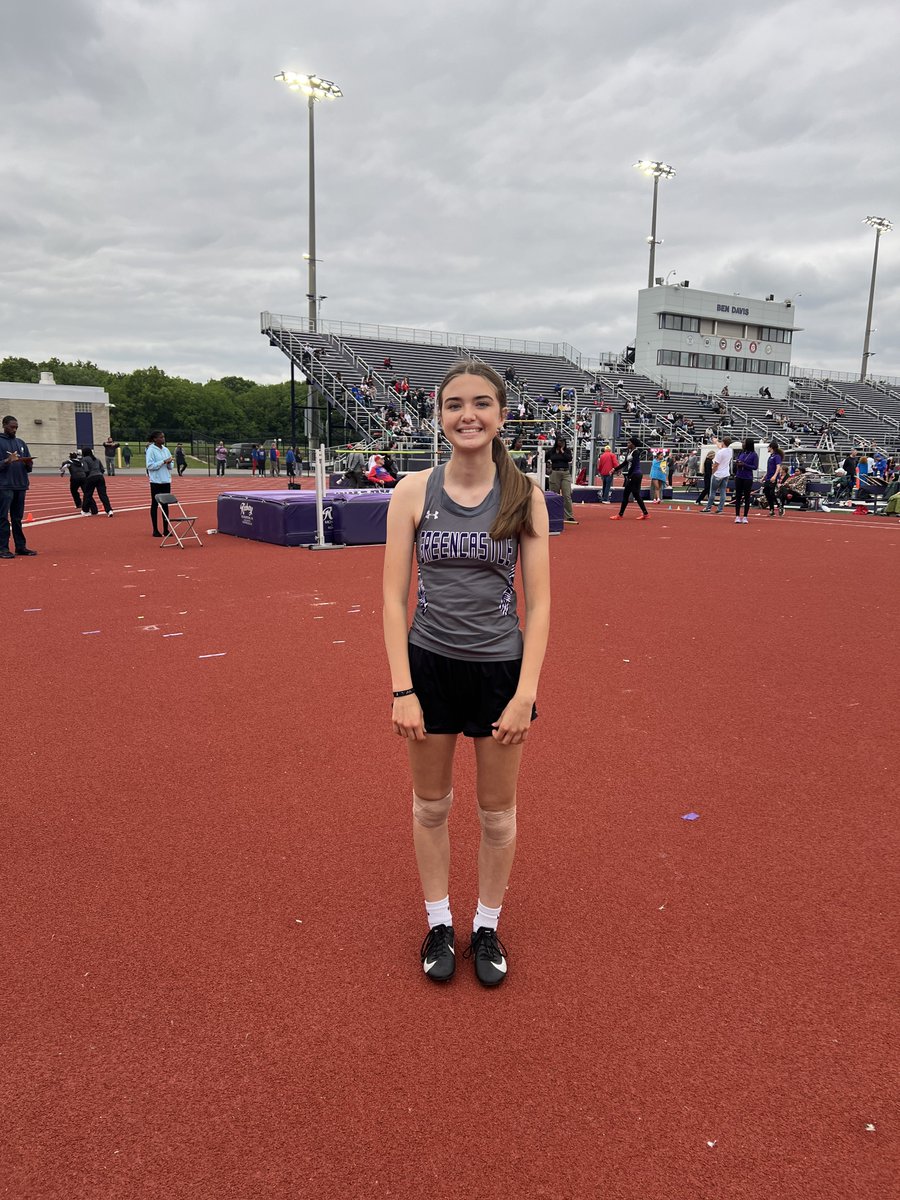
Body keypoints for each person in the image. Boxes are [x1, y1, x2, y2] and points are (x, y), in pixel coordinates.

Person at [382, 361, 550, 988]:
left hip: (499, 672)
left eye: (482, 404)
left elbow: (542, 603)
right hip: (428, 667)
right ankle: (438, 922)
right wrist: (403, 688)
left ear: (502, 416)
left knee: (496, 814)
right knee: (431, 807)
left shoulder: (524, 495)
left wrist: (525, 694)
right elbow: (392, 597)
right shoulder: (412, 492)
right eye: (455, 405)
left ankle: (486, 925)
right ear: (440, 416)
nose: (468, 415)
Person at [0, 415, 36, 558]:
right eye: (12, 427)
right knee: (2, 518)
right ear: (4, 425)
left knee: (17, 518)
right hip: (4, 486)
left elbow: (29, 467)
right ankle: (3, 548)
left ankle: (20, 546)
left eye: (16, 427)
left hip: (20, 484)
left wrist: (28, 463)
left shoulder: (21, 443)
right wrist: (7, 461)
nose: (14, 430)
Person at [610, 436, 649, 520]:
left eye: (629, 443)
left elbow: (634, 465)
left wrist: (629, 475)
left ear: (633, 444)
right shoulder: (629, 452)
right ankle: (645, 513)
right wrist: (614, 469)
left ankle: (620, 515)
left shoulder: (636, 452)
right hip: (634, 475)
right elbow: (625, 463)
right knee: (636, 494)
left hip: (635, 475)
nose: (627, 444)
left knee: (626, 494)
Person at [145, 431, 174, 538]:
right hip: (156, 481)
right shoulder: (151, 450)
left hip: (166, 480)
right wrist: (163, 461)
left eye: (164, 437)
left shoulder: (166, 450)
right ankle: (155, 529)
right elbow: (150, 466)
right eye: (161, 437)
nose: (163, 439)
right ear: (155, 439)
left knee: (165, 505)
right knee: (155, 504)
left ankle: (166, 529)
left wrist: (170, 462)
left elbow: (171, 466)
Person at [547, 436, 577, 524]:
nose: (562, 443)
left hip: (565, 473)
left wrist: (562, 451)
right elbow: (546, 458)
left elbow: (569, 459)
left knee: (567, 495)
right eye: (560, 441)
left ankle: (569, 516)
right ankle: (553, 514)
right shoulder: (552, 451)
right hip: (555, 472)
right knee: (554, 494)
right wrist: (548, 467)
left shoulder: (567, 451)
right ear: (556, 442)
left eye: (563, 441)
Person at [80, 448, 114, 517]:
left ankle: (85, 510)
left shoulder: (84, 459)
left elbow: (86, 470)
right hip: (100, 477)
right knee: (103, 495)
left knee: (88, 494)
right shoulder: (97, 459)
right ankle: (109, 510)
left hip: (91, 477)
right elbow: (102, 470)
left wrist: (87, 477)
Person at [703, 436, 733, 514]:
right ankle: (720, 508)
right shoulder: (730, 450)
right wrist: (716, 442)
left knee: (712, 491)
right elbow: (721, 446)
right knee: (723, 492)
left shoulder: (720, 452)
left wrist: (713, 472)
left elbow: (716, 464)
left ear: (723, 442)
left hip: (718, 474)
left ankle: (708, 507)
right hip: (726, 474)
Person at [733, 437, 758, 524]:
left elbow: (755, 467)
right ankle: (737, 516)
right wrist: (737, 463)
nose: (743, 444)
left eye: (744, 442)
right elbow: (737, 461)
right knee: (738, 496)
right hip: (739, 476)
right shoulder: (741, 452)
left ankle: (745, 516)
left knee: (747, 497)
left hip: (748, 477)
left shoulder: (754, 455)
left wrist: (744, 464)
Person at [762, 441, 783, 516]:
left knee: (771, 492)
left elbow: (778, 467)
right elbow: (769, 469)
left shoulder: (777, 456)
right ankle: (772, 509)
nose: (767, 448)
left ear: (771, 447)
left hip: (773, 478)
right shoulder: (770, 456)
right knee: (767, 492)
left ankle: (779, 504)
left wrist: (775, 476)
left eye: (768, 447)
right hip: (768, 477)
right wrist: (764, 477)